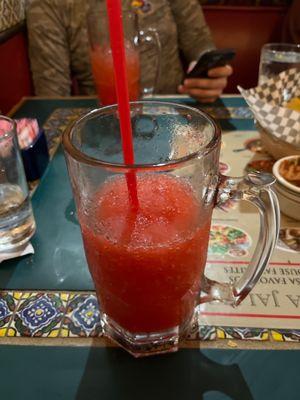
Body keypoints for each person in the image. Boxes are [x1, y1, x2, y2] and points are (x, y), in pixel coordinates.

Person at [26, 0, 233, 103]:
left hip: (175, 111)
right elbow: (52, 100)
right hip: (106, 124)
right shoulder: (48, 6)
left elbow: (199, 41)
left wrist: (207, 74)